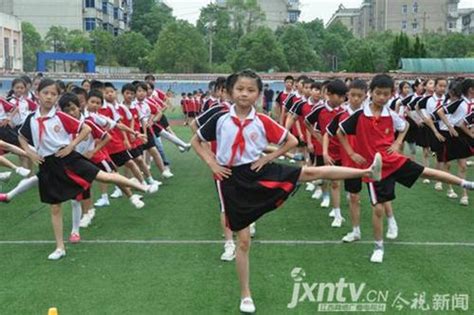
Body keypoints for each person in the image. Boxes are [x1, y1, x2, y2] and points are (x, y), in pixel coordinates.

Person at [191, 70, 383, 313]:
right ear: (230, 91)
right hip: (232, 180)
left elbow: (291, 141)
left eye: (251, 90)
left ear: (259, 95)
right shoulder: (220, 118)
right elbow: (196, 141)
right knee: (244, 241)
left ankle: (366, 172)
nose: (244, 94)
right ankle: (245, 295)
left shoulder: (262, 120)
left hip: (257, 171)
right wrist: (211, 163)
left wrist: (269, 157)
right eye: (240, 89)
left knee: (311, 173)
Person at [337, 74, 474, 264]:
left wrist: (398, 142)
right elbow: (340, 132)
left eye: (386, 94)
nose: (382, 98)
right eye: (378, 94)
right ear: (371, 93)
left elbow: (405, 125)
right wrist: (352, 154)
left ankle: (466, 183)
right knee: (377, 209)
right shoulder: (359, 116)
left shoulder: (391, 115)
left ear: (392, 94)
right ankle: (378, 247)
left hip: (393, 160)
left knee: (428, 172)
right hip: (374, 168)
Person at [17, 79, 150, 260]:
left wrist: (71, 146)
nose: (49, 97)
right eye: (45, 93)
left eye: (53, 94)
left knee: (105, 176)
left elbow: (85, 129)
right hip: (47, 165)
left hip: (68, 159)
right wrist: (30, 154)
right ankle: (60, 247)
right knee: (55, 207)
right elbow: (21, 137)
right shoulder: (31, 118)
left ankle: (141, 186)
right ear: (37, 93)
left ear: (57, 97)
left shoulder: (61, 117)